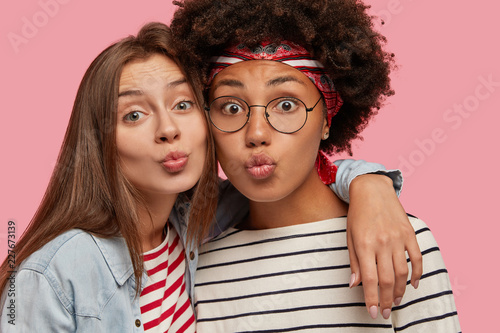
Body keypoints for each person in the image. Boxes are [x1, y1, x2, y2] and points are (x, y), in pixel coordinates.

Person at [0, 22, 418, 332]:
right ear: (99, 141)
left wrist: (372, 187)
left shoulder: (199, 224)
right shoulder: (52, 274)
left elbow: (292, 174)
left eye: (182, 105)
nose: (168, 129)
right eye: (133, 115)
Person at [170, 0, 461, 331]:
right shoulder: (196, 266)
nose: (256, 134)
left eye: (286, 104)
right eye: (231, 108)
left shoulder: (395, 242)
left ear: (326, 119)